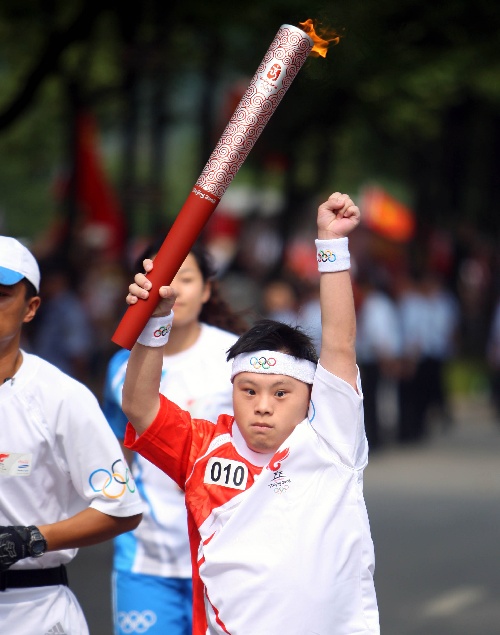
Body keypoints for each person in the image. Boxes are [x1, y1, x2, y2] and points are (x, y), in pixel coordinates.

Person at [121, 192, 379, 634]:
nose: (262, 405)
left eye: (281, 393)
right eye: (249, 391)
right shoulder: (203, 448)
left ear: (310, 394)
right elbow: (141, 407)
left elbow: (339, 344)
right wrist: (155, 322)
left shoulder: (331, 439)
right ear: (233, 390)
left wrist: (331, 245)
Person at [102, 240, 248, 635]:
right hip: (147, 556)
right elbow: (118, 450)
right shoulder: (122, 365)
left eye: (186, 279)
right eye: (165, 278)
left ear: (205, 290)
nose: (175, 289)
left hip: (225, 551)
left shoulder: (236, 359)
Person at [0, 236, 144, 635]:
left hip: (32, 610)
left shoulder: (60, 397)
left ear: (30, 308)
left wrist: (29, 539)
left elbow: (122, 508)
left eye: (1, 295)